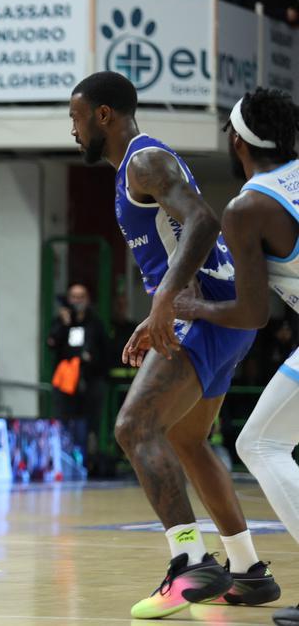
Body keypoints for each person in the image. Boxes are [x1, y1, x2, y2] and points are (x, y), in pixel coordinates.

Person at [68, 71, 279, 618]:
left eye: (76, 117)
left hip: (207, 314)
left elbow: (203, 222)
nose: (72, 129)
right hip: (221, 315)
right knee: (186, 437)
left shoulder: (144, 160)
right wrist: (161, 303)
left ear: (104, 115)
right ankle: (248, 571)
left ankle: (190, 563)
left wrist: (165, 302)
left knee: (134, 428)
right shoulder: (137, 169)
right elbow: (179, 239)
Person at [171, 88, 299, 625]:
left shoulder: (248, 206)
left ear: (236, 138)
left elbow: (251, 314)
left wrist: (187, 305)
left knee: (260, 441)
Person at [46, 283, 109, 432]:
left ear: (87, 299)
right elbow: (51, 343)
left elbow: (105, 351)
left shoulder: (95, 323)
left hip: (90, 382)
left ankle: (89, 453)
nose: (77, 301)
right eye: (74, 297)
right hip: (66, 384)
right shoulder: (61, 321)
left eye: (81, 297)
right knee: (65, 421)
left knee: (89, 424)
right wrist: (64, 324)